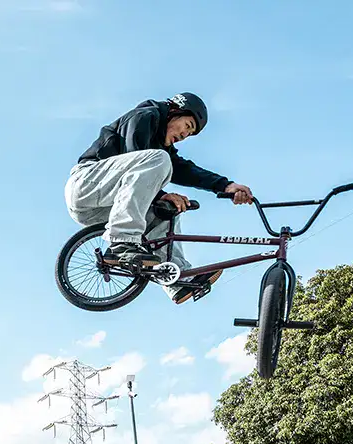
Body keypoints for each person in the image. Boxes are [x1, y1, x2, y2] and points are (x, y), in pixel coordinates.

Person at [64, 92, 253, 304]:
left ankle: (177, 279)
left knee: (167, 210)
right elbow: (133, 157)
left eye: (190, 134)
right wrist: (163, 193)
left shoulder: (162, 150)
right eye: (187, 126)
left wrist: (225, 185)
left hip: (103, 207)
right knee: (159, 161)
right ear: (175, 111)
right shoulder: (144, 116)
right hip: (87, 183)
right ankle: (122, 244)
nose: (185, 135)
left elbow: (186, 170)